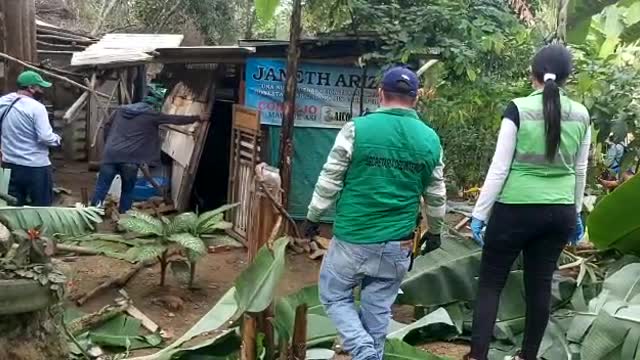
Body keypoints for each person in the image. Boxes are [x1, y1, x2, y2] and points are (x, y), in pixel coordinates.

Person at [303, 66, 446, 360]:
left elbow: (330, 179)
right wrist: (435, 231)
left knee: (333, 295)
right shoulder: (430, 139)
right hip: (398, 245)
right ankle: (370, 353)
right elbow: (436, 195)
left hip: (353, 239)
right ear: (416, 98)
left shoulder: (356, 129)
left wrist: (313, 217)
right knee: (377, 310)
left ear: (380, 94)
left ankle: (363, 350)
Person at [467, 45, 590, 360]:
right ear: (567, 77)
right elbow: (579, 170)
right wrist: (575, 213)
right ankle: (528, 356)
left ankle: (478, 355)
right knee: (540, 287)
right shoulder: (581, 114)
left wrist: (479, 214)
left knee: (492, 283)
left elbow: (499, 167)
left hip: (515, 209)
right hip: (559, 212)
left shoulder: (518, 108)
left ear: (532, 73)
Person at [91, 85, 204, 213]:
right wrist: (196, 117)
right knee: (128, 190)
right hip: (130, 159)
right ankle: (123, 218)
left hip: (110, 155)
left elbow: (107, 126)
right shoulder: (152, 115)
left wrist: (109, 144)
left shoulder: (120, 110)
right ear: (153, 105)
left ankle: (92, 215)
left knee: (101, 187)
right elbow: (175, 119)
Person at [0, 70, 60, 206]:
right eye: (39, 87)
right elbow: (45, 137)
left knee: (14, 208)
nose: (41, 90)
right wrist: (56, 139)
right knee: (41, 207)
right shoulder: (37, 108)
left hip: (10, 165)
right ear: (31, 88)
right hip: (35, 167)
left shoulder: (3, 102)